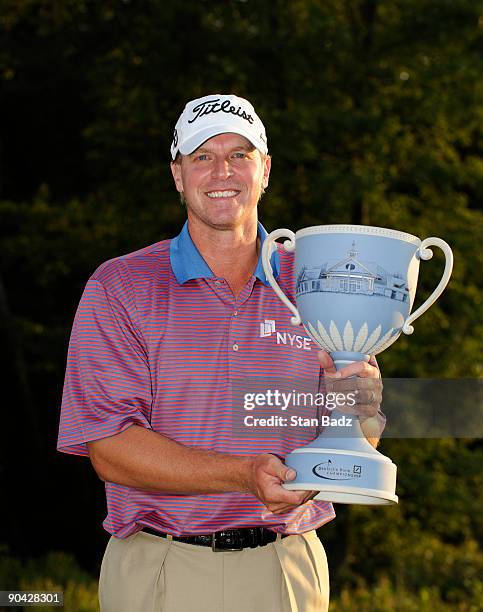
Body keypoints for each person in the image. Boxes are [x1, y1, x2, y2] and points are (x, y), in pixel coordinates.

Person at [57, 94, 384, 612]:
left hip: (287, 564)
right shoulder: (121, 286)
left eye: (239, 155)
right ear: (178, 175)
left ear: (266, 169)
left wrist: (360, 400)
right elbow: (110, 449)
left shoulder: (318, 283)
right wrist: (241, 474)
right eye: (202, 156)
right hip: (160, 568)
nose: (221, 171)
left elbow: (359, 438)